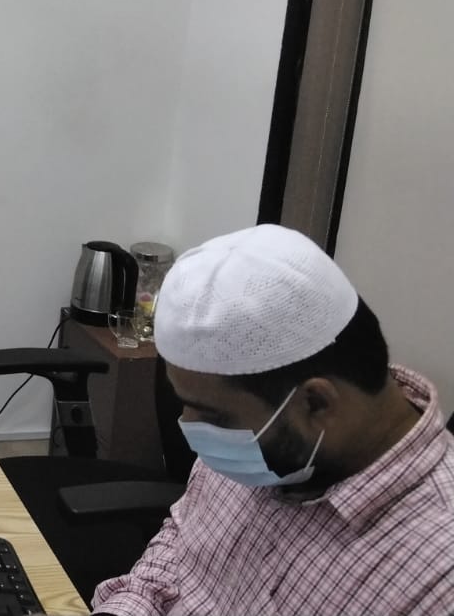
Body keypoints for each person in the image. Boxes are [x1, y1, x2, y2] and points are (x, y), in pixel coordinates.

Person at [91, 224, 454, 616]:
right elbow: (179, 548)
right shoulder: (268, 442)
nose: (187, 424)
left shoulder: (436, 580)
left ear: (316, 403)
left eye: (214, 415)